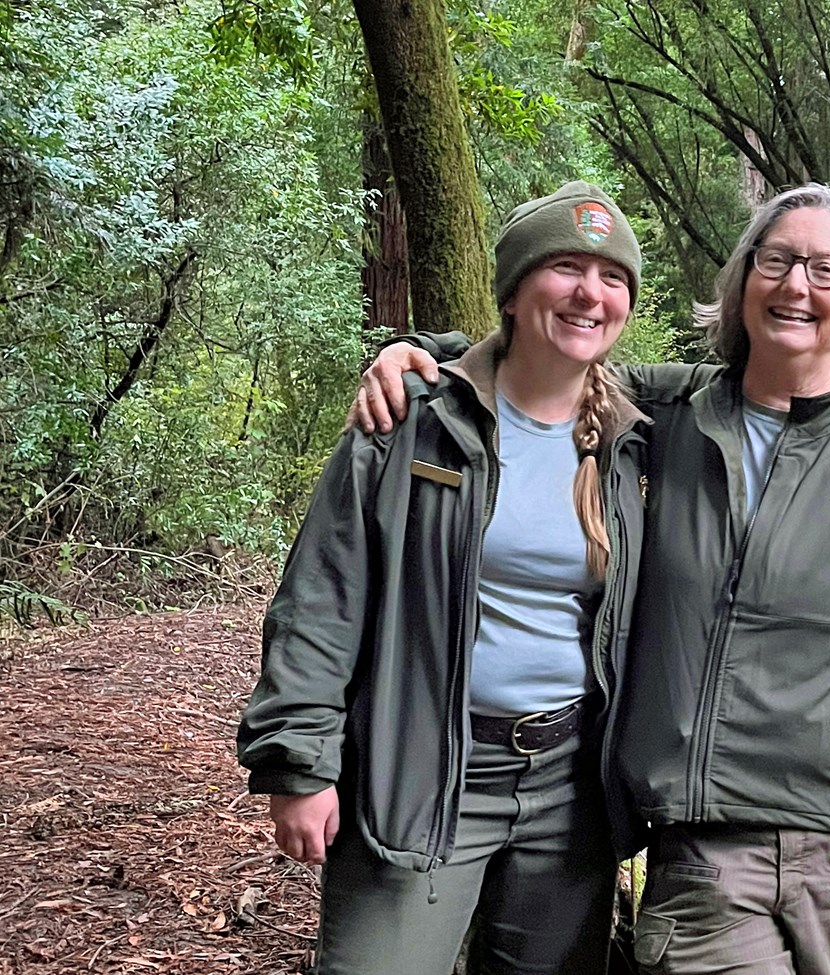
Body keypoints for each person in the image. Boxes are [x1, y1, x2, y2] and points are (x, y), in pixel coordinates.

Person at [355, 183, 830, 975]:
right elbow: (546, 355)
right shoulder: (663, 412)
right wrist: (419, 353)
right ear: (742, 282)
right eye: (777, 260)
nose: (796, 285)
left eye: (826, 270)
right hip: (705, 843)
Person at [237, 181, 651, 975]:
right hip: (423, 764)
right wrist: (297, 761)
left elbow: (758, 389)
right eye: (564, 267)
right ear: (515, 286)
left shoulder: (636, 439)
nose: (588, 294)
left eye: (611, 279)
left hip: (569, 785)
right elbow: (323, 594)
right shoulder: (413, 418)